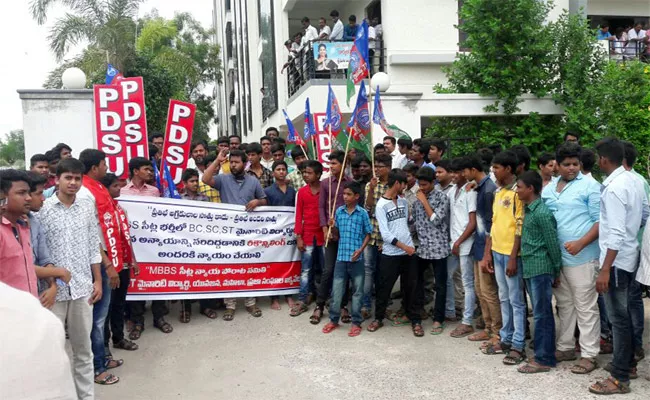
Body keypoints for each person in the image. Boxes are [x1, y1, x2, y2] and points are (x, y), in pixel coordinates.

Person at [588, 138, 648, 395]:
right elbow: (644, 214)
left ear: (603, 159)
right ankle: (628, 362)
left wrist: (604, 269)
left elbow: (614, 232)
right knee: (624, 315)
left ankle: (619, 377)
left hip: (615, 261)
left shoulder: (613, 188)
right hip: (629, 256)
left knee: (618, 319)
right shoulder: (635, 180)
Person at [40, 158, 103, 399]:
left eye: (77, 178)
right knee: (53, 351)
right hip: (52, 292)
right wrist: (51, 284)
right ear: (57, 179)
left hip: (82, 289)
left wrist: (97, 281)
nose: (73, 183)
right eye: (68, 178)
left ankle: (86, 396)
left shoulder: (86, 208)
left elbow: (92, 248)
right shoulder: (44, 210)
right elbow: (39, 251)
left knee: (83, 349)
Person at [541, 142, 601, 374]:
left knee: (586, 306)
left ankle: (589, 354)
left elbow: (600, 222)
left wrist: (581, 243)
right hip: (557, 258)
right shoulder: (550, 187)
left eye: (575, 164)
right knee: (564, 304)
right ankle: (565, 347)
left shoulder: (590, 186)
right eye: (566, 165)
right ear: (557, 165)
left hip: (583, 256)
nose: (572, 168)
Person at [78, 149, 126, 385]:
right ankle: (97, 368)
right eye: (104, 165)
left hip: (106, 258)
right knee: (96, 319)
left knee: (101, 317)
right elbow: (91, 235)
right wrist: (108, 265)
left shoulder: (95, 187)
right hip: (99, 262)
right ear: (95, 167)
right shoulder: (86, 193)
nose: (107, 169)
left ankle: (103, 357)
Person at [202, 149, 267, 320]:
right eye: (231, 162)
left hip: (248, 234)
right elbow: (205, 179)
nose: (233, 165)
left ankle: (250, 302)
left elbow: (265, 200)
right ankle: (230, 305)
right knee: (229, 269)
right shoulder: (223, 179)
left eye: (236, 162)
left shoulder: (253, 182)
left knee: (248, 268)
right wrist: (217, 160)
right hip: (228, 234)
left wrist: (257, 201)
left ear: (245, 164)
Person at [479, 150, 526, 365]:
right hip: (497, 251)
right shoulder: (499, 192)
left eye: (496, 168)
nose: (493, 172)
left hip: (511, 254)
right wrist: (487, 252)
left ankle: (518, 345)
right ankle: (505, 338)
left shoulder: (519, 192)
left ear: (508, 169)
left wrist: (515, 256)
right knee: (504, 297)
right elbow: (494, 225)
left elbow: (519, 226)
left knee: (516, 300)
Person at [515, 171, 561, 374]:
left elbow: (552, 244)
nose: (517, 191)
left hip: (541, 269)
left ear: (530, 189)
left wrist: (556, 270)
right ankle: (543, 354)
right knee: (541, 314)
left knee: (543, 315)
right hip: (531, 268)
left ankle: (545, 358)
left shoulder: (542, 213)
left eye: (520, 187)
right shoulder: (529, 210)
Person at [120, 157, 171, 340]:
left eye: (151, 170)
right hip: (133, 245)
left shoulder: (155, 191)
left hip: (153, 244)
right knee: (137, 282)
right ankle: (138, 321)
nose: (150, 172)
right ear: (135, 171)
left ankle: (159, 318)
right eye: (147, 169)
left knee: (157, 279)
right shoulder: (122, 192)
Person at [367, 169, 422, 336]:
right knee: (384, 288)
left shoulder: (404, 202)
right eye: (404, 183)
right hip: (391, 253)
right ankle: (378, 318)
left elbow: (406, 224)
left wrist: (409, 246)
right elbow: (386, 233)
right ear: (397, 183)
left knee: (412, 288)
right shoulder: (381, 205)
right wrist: (404, 247)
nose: (406, 186)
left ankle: (415, 320)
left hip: (409, 253)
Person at [0, 281, 76, 400]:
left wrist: (53, 282)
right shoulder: (41, 319)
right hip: (38, 304)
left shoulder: (40, 319)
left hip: (34, 307)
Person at [321, 181, 372, 337]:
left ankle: (356, 322)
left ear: (357, 196)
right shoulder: (339, 211)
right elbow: (336, 233)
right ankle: (334, 320)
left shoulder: (362, 213)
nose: (345, 197)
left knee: (357, 292)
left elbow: (368, 234)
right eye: (344, 194)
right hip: (341, 258)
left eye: (349, 194)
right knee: (337, 291)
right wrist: (332, 226)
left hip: (357, 259)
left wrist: (360, 250)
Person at [99, 173, 140, 362]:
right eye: (115, 186)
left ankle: (118, 338)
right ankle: (104, 346)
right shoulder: (100, 210)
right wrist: (108, 265)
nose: (119, 189)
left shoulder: (120, 209)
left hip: (123, 262)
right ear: (105, 188)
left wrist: (133, 259)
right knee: (105, 307)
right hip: (108, 264)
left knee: (119, 303)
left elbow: (126, 237)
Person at [462, 155, 502, 344]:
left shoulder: (488, 191)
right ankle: (487, 327)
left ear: (473, 169)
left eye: (464, 171)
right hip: (478, 246)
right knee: (480, 289)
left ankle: (497, 331)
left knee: (488, 291)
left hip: (487, 247)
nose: (462, 175)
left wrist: (487, 254)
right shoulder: (480, 188)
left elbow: (490, 226)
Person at [313, 150, 353, 324]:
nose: (331, 167)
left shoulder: (351, 183)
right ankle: (320, 305)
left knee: (343, 271)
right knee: (328, 270)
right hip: (329, 233)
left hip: (346, 234)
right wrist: (323, 227)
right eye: (330, 164)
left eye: (335, 163)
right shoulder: (325, 183)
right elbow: (321, 207)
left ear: (344, 164)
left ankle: (342, 305)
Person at [177, 168, 220, 323]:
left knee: (204, 275)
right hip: (185, 245)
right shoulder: (179, 199)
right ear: (185, 183)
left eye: (197, 180)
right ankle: (185, 309)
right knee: (187, 277)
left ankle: (205, 306)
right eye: (192, 181)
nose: (195, 184)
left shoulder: (205, 199)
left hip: (202, 243)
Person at [413, 167, 450, 335]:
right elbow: (413, 223)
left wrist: (424, 202)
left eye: (425, 185)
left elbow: (436, 220)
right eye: (420, 185)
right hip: (422, 249)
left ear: (433, 183)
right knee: (417, 283)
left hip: (438, 248)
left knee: (440, 285)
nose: (422, 188)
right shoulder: (416, 201)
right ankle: (417, 314)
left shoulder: (442, 198)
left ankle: (438, 318)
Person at [26, 172, 72, 308]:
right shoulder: (6, 227)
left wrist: (53, 286)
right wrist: (58, 272)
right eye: (39, 194)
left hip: (37, 295)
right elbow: (20, 266)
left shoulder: (34, 221)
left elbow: (45, 260)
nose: (43, 199)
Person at [621, 141, 648, 364]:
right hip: (635, 245)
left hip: (633, 248)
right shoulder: (638, 181)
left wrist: (629, 228)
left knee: (631, 298)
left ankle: (634, 344)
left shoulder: (636, 181)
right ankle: (632, 344)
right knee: (631, 298)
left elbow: (645, 213)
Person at [447, 158, 478, 338]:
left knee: (468, 283)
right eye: (452, 172)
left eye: (457, 172)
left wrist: (459, 242)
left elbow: (472, 222)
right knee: (451, 277)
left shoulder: (470, 192)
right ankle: (457, 312)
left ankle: (467, 321)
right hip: (454, 242)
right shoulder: (453, 190)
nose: (453, 175)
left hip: (465, 243)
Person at [292, 160, 325, 317]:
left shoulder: (326, 190)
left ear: (318, 174)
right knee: (306, 270)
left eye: (309, 172)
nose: (305, 175)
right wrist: (298, 236)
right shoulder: (302, 192)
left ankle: (326, 298)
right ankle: (303, 299)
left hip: (324, 236)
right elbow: (298, 216)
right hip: (307, 236)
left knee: (325, 269)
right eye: (304, 172)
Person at [361, 154, 391, 319]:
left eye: (380, 166)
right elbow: (368, 208)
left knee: (383, 274)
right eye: (376, 166)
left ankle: (382, 306)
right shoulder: (370, 184)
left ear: (388, 167)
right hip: (372, 234)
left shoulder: (394, 185)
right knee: (368, 271)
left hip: (387, 237)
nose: (377, 169)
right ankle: (366, 305)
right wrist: (371, 189)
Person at [265, 160, 298, 311]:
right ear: (273, 173)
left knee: (289, 263)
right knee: (274, 264)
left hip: (290, 234)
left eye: (283, 169)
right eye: (278, 169)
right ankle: (274, 297)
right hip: (274, 234)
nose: (281, 172)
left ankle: (289, 294)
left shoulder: (292, 191)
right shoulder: (268, 191)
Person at [0, 170, 38, 297]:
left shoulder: (23, 226)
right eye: (21, 193)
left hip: (28, 309)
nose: (29, 198)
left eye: (28, 192)